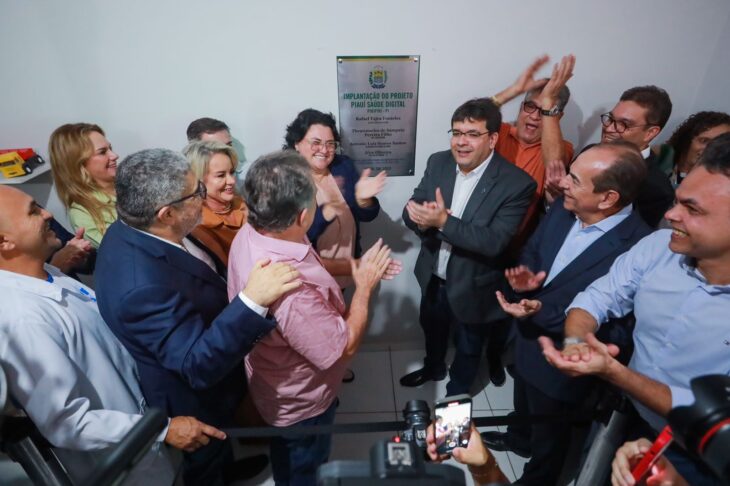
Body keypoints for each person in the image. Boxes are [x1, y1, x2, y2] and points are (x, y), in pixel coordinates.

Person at [94, 148, 302, 485]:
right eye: (196, 193)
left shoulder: (142, 227)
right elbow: (196, 363)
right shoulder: (139, 287)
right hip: (191, 396)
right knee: (205, 460)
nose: (203, 198)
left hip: (218, 372)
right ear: (166, 214)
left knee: (221, 443)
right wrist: (252, 300)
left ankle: (228, 470)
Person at [0, 185, 232, 485]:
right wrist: (163, 430)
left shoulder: (47, 273)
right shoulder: (22, 319)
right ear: (4, 242)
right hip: (127, 462)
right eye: (33, 211)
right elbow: (68, 423)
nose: (47, 214)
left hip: (149, 426)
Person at [541, 133, 730, 484]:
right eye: (677, 200)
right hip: (622, 413)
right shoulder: (657, 247)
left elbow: (713, 411)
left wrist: (615, 372)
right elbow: (597, 297)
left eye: (692, 209)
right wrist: (577, 343)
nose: (670, 215)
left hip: (699, 452)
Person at [482, 142, 651, 485]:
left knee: (550, 440)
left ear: (607, 198)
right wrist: (526, 282)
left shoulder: (640, 249)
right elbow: (533, 250)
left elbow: (622, 330)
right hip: (525, 339)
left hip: (563, 364)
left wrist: (542, 312)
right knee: (524, 405)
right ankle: (519, 439)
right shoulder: (563, 207)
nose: (562, 184)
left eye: (574, 180)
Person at [227, 150, 398, 485]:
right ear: (304, 216)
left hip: (276, 384)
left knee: (289, 456)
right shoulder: (291, 292)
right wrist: (364, 287)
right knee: (303, 469)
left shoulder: (257, 230)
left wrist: (354, 265)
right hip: (301, 406)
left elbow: (310, 259)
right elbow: (343, 348)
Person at [399, 97, 536, 391]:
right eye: (457, 132)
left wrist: (442, 222)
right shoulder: (438, 162)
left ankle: (456, 395)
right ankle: (433, 368)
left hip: (476, 287)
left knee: (469, 347)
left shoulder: (517, 183)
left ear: (493, 139)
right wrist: (420, 220)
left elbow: (494, 242)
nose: (462, 142)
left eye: (473, 134)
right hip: (433, 278)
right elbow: (412, 207)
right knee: (432, 331)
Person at [284, 108, 386, 287]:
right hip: (309, 278)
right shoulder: (285, 177)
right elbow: (294, 238)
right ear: (297, 143)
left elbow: (368, 216)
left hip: (347, 271)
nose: (324, 150)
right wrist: (326, 212)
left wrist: (363, 201)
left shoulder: (343, 165)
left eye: (330, 144)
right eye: (316, 142)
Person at [490, 54, 575, 248]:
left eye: (544, 111)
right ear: (521, 107)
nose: (535, 116)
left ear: (557, 117)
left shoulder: (562, 148)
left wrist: (549, 103)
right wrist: (513, 90)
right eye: (530, 107)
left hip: (512, 248)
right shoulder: (498, 132)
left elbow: (554, 165)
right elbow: (470, 118)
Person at [48, 123, 119, 247]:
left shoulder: (131, 184)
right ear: (78, 163)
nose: (115, 155)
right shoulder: (82, 214)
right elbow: (122, 250)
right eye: (102, 152)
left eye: (110, 148)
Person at [184, 140, 247, 267]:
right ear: (198, 180)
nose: (231, 181)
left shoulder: (244, 202)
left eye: (232, 172)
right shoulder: (197, 226)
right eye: (221, 175)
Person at [661, 111, 730, 186]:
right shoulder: (657, 167)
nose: (711, 148)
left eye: (720, 143)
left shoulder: (721, 187)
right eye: (704, 141)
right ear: (686, 141)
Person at [186, 117, 248, 185]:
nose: (227, 151)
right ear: (195, 150)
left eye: (229, 145)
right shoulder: (182, 179)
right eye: (216, 147)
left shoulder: (247, 175)